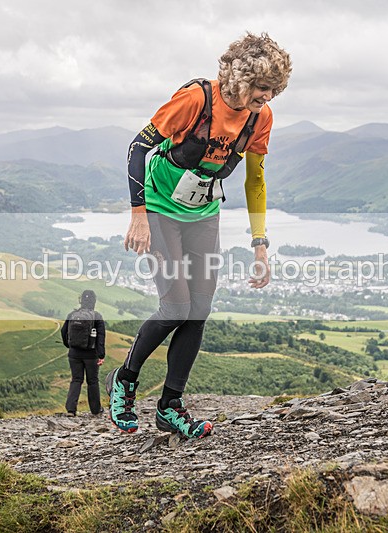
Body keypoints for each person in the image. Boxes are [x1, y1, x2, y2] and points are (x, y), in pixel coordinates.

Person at [106, 32, 292, 438]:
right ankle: (124, 378)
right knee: (175, 306)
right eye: (262, 87)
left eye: (274, 89)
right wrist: (138, 213)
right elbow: (138, 148)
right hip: (158, 209)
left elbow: (255, 180)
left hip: (203, 213)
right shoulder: (196, 100)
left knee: (199, 309)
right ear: (241, 77)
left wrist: (260, 245)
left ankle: (170, 405)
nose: (268, 96)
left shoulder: (261, 117)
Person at [61, 289, 106, 416]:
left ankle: (71, 409)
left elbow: (63, 332)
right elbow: (101, 337)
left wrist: (69, 345)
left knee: (76, 380)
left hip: (74, 354)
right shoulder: (97, 316)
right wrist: (101, 355)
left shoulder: (72, 315)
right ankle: (96, 410)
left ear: (81, 301)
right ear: (94, 302)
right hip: (91, 355)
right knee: (92, 381)